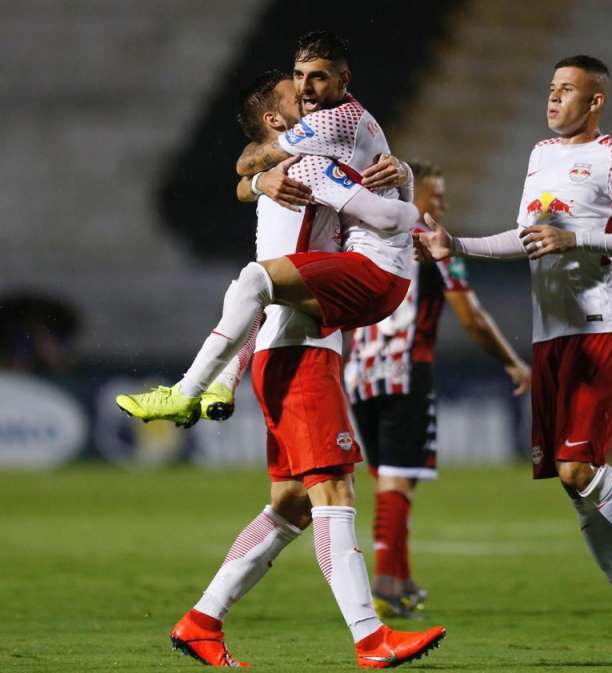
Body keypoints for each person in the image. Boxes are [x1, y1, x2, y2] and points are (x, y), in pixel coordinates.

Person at [413, 55, 612, 666]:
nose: (553, 99)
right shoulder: (540, 155)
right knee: (577, 491)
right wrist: (456, 244)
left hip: (601, 323)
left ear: (595, 101)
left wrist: (580, 237)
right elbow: (525, 239)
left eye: (567, 91)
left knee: (578, 470)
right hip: (551, 336)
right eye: (550, 89)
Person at [161, 69, 445, 669]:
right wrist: (265, 174)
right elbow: (260, 175)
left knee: (290, 503)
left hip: (294, 351)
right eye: (299, 96)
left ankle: (200, 622)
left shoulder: (301, 159)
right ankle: (372, 638)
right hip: (300, 352)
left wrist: (399, 173)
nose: (316, 100)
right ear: (276, 121)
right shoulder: (297, 164)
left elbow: (249, 173)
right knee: (333, 494)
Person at [116, 30, 420, 428]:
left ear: (341, 79)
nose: (304, 91)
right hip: (308, 312)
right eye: (297, 81)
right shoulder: (305, 151)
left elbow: (246, 165)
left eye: (314, 79)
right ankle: (221, 385)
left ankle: (186, 392)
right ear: (274, 120)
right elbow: (246, 175)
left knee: (254, 282)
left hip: (345, 296)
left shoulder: (319, 141)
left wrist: (411, 200)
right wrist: (261, 182)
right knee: (292, 491)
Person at [344, 160, 531, 618]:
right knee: (398, 481)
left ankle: (400, 580)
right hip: (406, 370)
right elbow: (471, 316)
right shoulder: (433, 245)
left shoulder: (365, 236)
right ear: (414, 197)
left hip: (359, 373)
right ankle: (387, 585)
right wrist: (512, 362)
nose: (444, 205)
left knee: (389, 480)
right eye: (437, 195)